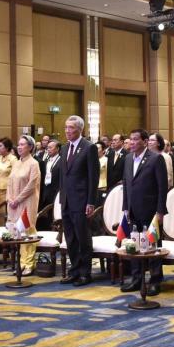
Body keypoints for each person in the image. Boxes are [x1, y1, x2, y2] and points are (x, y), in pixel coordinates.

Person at [120, 129, 168, 296]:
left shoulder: (155, 158)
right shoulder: (128, 159)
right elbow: (126, 184)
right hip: (133, 209)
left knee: (152, 245)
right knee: (134, 244)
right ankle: (136, 278)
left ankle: (155, 280)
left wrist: (160, 211)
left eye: (135, 139)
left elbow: (162, 187)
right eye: (130, 139)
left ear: (145, 141)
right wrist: (125, 207)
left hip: (150, 210)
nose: (132, 142)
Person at [59, 115, 99, 286]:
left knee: (83, 238)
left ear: (80, 129)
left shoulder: (89, 147)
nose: (67, 131)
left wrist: (91, 202)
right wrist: (61, 198)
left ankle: (85, 273)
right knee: (70, 238)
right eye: (66, 127)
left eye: (71, 128)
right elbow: (63, 176)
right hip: (67, 200)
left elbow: (93, 177)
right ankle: (74, 270)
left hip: (82, 200)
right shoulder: (64, 148)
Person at [8, 135, 41, 275]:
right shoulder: (16, 163)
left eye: (23, 144)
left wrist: (18, 199)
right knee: (18, 232)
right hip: (14, 203)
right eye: (19, 144)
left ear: (30, 147)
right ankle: (21, 263)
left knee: (28, 231)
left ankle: (29, 264)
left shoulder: (34, 163)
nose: (19, 147)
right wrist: (10, 198)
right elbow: (9, 182)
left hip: (27, 201)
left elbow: (31, 185)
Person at [0, 138, 17, 225]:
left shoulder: (13, 159)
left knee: (10, 211)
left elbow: (15, 175)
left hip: (9, 188)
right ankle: (0, 228)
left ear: (7, 148)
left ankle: (10, 228)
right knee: (0, 211)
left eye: (0, 146)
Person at [39, 139, 61, 228]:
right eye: (47, 148)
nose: (48, 149)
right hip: (46, 192)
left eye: (51, 147)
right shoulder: (46, 161)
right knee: (45, 217)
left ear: (57, 149)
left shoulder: (62, 161)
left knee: (54, 216)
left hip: (56, 192)